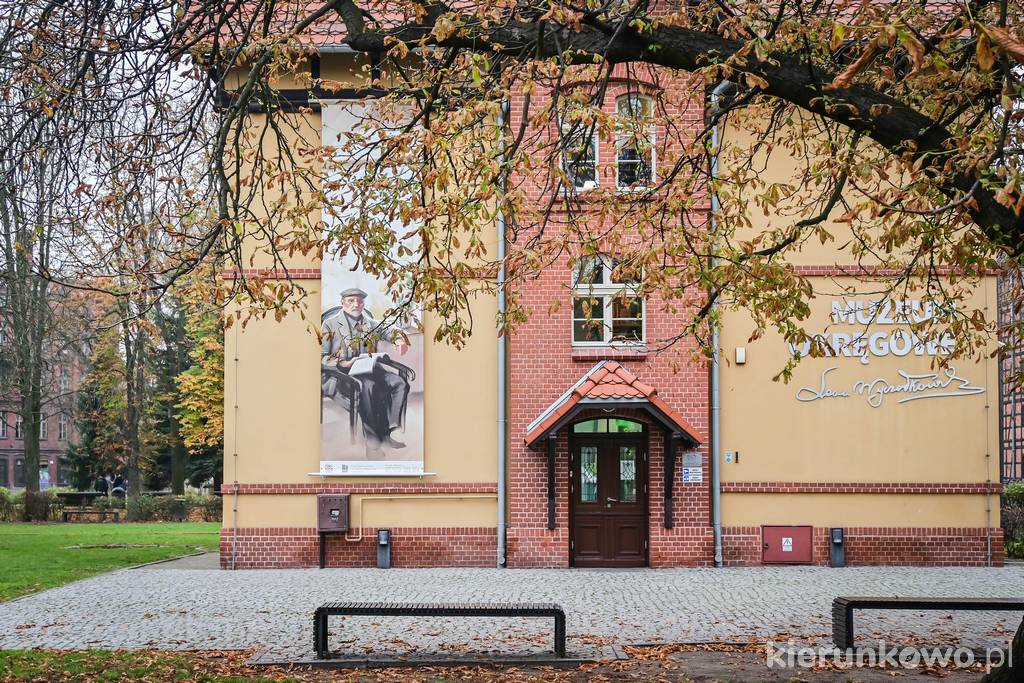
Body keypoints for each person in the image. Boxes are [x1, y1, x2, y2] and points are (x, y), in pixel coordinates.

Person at [322, 287, 411, 457]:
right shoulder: (330, 324)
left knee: (399, 383)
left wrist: (400, 340)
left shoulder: (369, 323)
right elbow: (321, 357)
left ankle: (387, 431)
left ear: (364, 304)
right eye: (351, 301)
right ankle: (373, 445)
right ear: (342, 303)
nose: (356, 304)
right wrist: (345, 362)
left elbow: (389, 329)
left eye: (360, 301)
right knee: (368, 387)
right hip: (341, 373)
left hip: (368, 369)